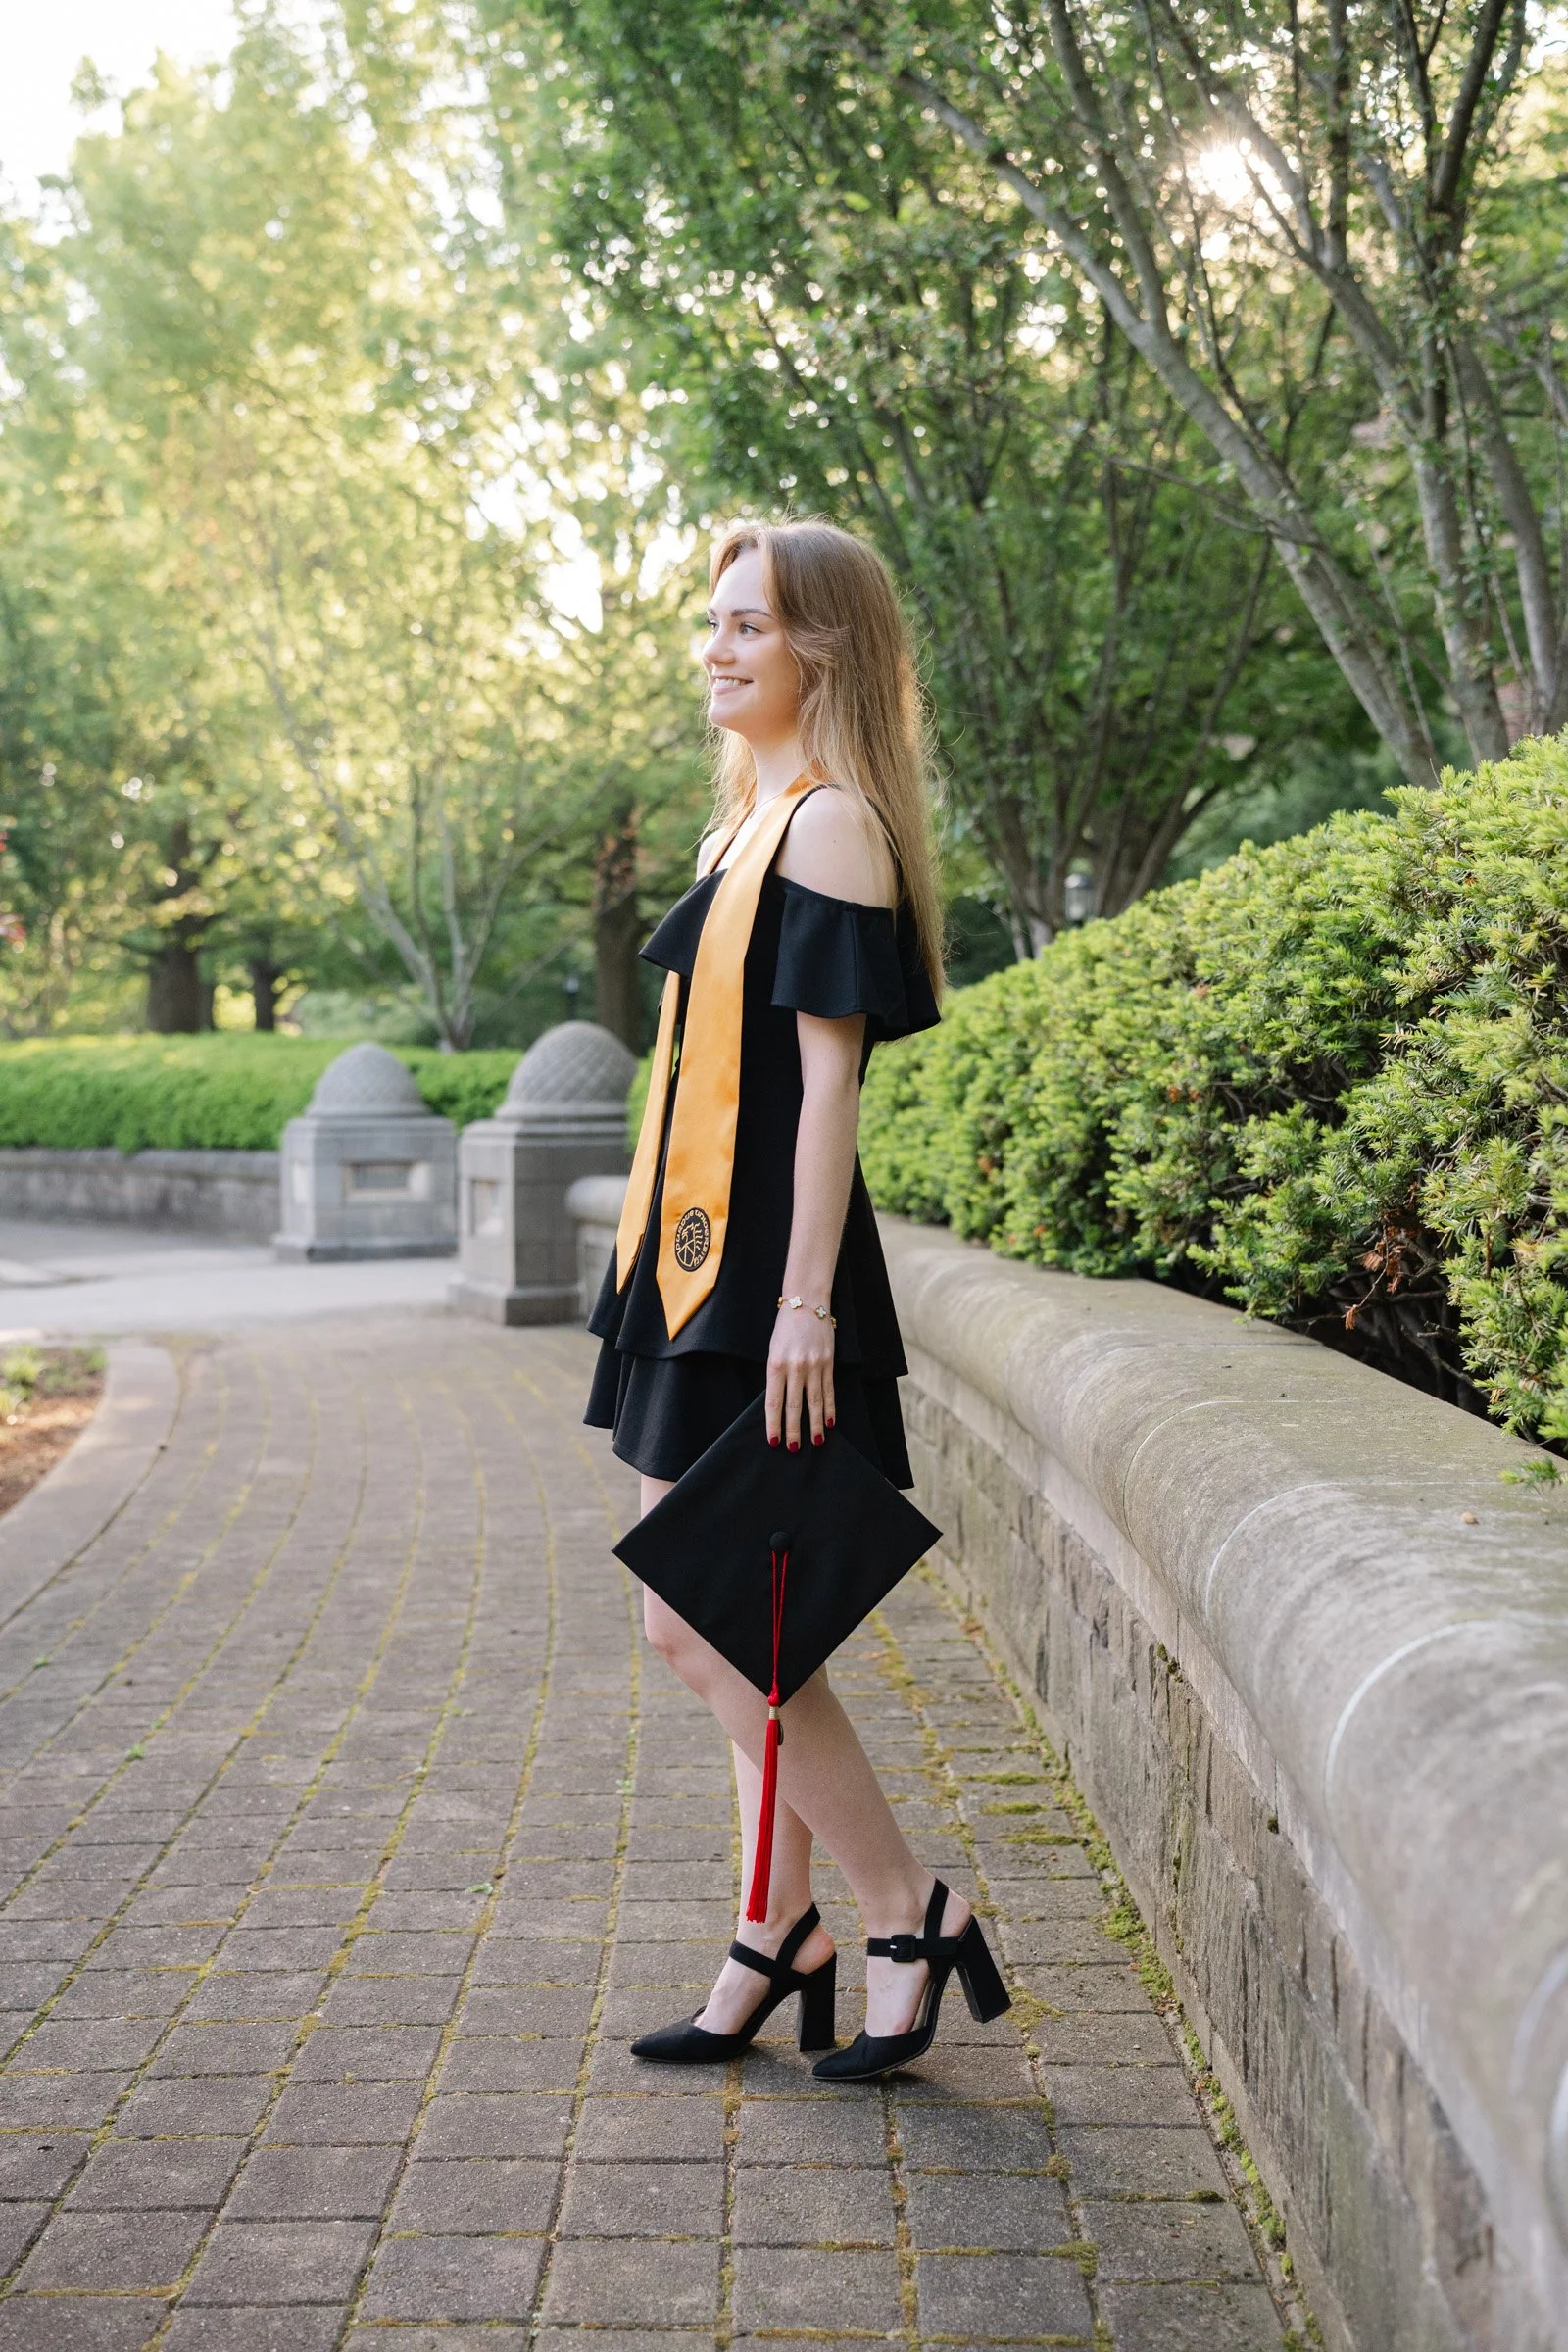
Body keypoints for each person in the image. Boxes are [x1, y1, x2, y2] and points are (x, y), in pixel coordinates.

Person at [584, 517, 1008, 2080]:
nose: (718, 647)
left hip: (768, 1278)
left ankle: (905, 1905)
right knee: (713, 1619)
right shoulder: (736, 832)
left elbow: (829, 1098)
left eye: (750, 624)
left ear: (825, 648)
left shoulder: (831, 830)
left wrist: (806, 1309)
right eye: (714, 621)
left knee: (729, 1625)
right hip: (688, 1262)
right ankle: (781, 1934)